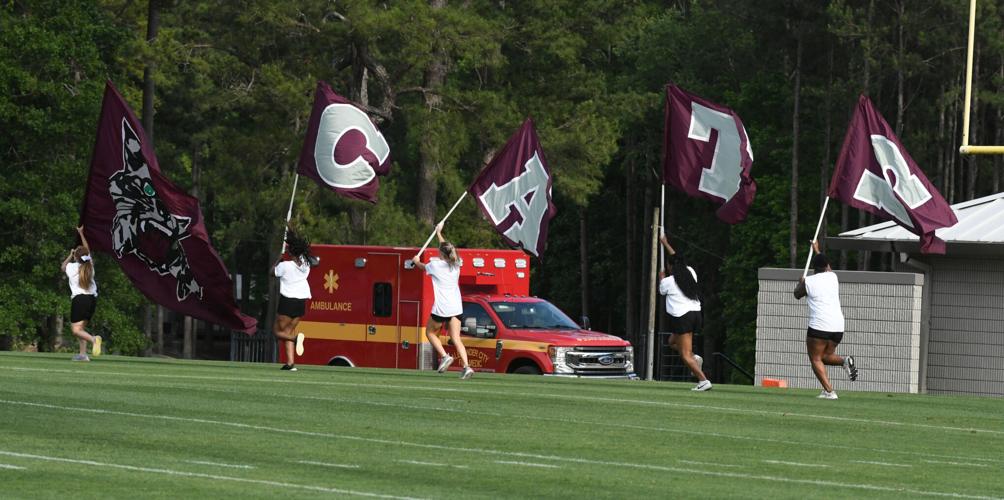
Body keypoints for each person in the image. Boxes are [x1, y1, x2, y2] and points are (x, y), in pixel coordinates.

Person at [794, 240, 858, 400]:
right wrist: (817, 250)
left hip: (819, 326)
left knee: (815, 358)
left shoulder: (810, 281)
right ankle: (844, 361)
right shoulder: (833, 277)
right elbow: (825, 265)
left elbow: (796, 294)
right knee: (825, 357)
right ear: (827, 266)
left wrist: (800, 282)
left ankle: (829, 391)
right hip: (838, 326)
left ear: (814, 268)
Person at [411, 222, 474, 380]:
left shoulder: (435, 265)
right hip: (456, 307)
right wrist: (439, 232)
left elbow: (420, 266)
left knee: (430, 332)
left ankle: (445, 356)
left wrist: (416, 259)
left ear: (441, 254)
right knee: (456, 338)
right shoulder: (457, 263)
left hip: (442, 308)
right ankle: (466, 367)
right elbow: (447, 247)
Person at [658, 235, 710, 391]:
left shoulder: (668, 281)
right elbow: (678, 260)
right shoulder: (691, 272)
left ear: (670, 267)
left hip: (682, 317)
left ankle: (703, 380)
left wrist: (661, 278)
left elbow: (662, 292)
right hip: (695, 315)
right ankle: (695, 358)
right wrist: (666, 243)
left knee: (684, 354)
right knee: (672, 342)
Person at [273, 228, 314, 371]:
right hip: (301, 302)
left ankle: (297, 339)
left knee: (277, 332)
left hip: (288, 300)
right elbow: (300, 257)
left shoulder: (285, 266)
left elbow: (272, 273)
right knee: (288, 331)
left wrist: (278, 260)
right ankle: (290, 364)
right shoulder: (306, 265)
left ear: (290, 251)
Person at [61, 226, 102, 361]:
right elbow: (87, 250)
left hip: (80, 300)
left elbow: (62, 266)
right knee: (81, 328)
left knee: (75, 330)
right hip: (91, 300)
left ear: (75, 257)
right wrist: (81, 234)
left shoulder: (72, 267)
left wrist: (70, 255)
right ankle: (83, 354)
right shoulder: (90, 267)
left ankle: (94, 339)